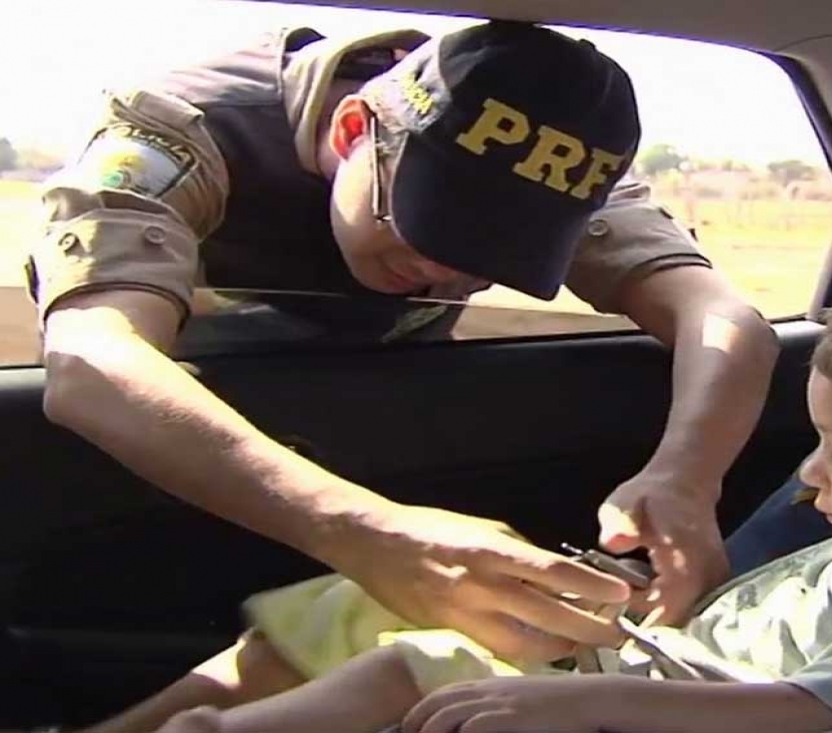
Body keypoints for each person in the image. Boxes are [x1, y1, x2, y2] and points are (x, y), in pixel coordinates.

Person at [31, 17, 779, 731]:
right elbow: (91, 358)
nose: (446, 274)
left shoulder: (548, 166)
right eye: (431, 224)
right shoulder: (184, 131)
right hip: (176, 453)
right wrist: (365, 531)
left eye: (496, 254)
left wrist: (687, 476)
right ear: (353, 131)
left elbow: (720, 316)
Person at [149, 271, 832, 733]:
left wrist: (583, 694)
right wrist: (636, 607)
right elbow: (725, 638)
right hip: (630, 681)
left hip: (641, 714)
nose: (809, 475)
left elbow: (808, 709)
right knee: (407, 644)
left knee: (422, 671)